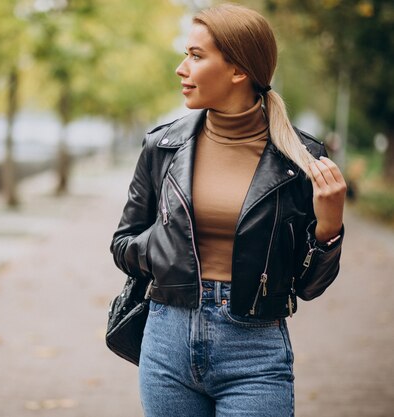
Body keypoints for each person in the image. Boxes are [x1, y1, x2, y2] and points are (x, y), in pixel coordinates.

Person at [109, 3, 346, 416]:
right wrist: (169, 244)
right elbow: (123, 245)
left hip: (255, 351)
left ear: (238, 71)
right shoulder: (162, 148)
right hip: (167, 340)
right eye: (185, 54)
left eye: (196, 56)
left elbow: (308, 287)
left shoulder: (302, 160)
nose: (181, 69)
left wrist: (329, 227)